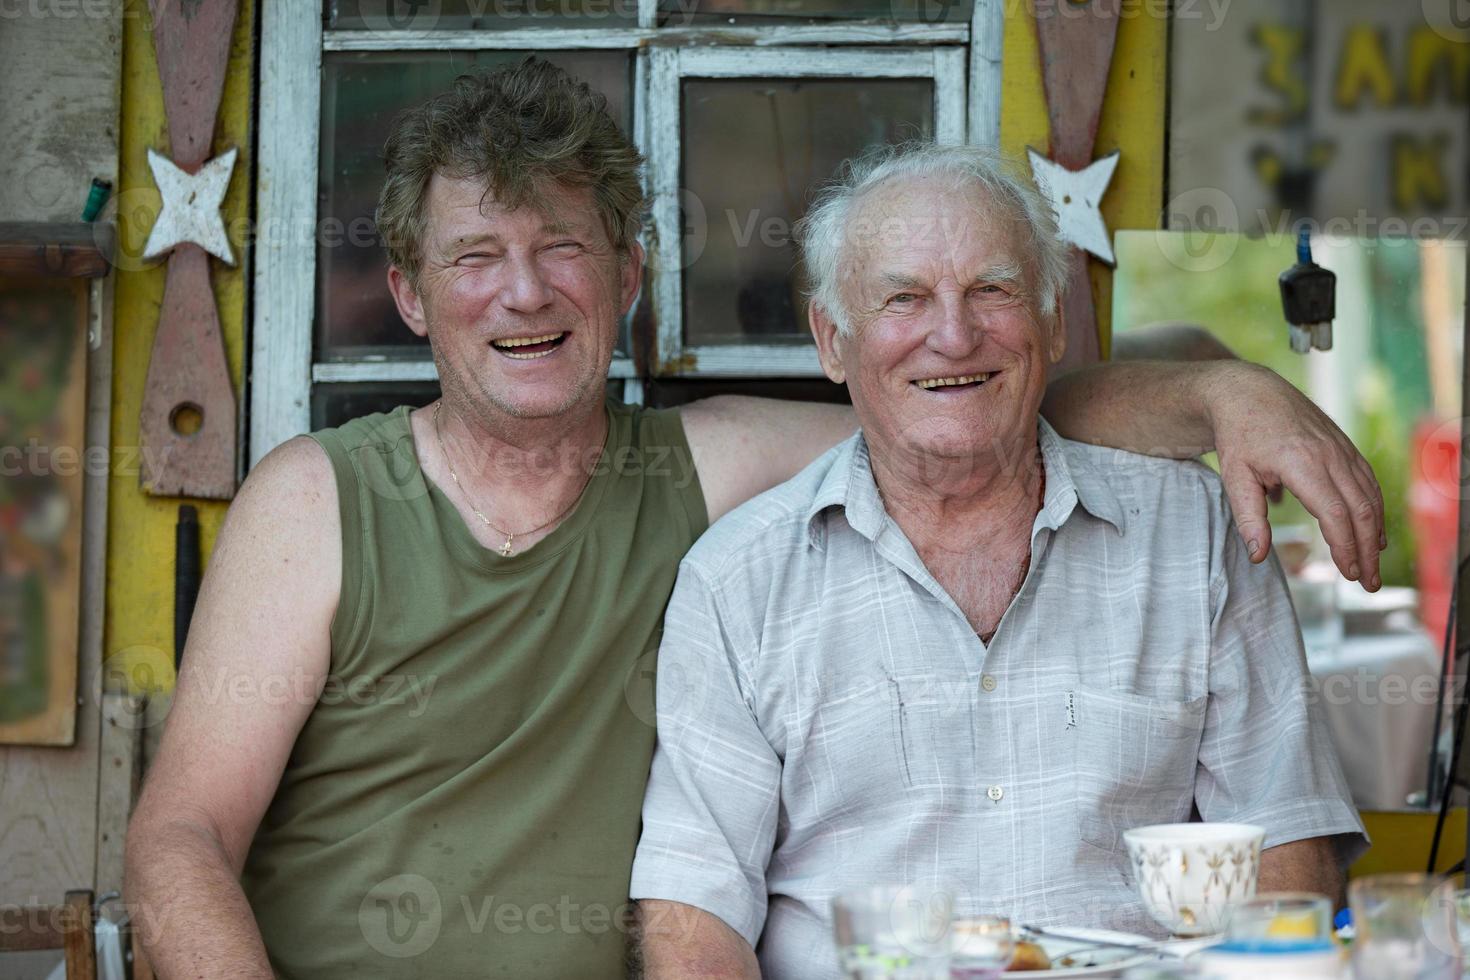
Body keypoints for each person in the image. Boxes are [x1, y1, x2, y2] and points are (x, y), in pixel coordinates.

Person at [125, 60, 1381, 979]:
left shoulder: (708, 466)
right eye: (474, 257)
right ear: (407, 294)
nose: (525, 291)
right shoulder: (316, 500)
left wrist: (1223, 390)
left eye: (565, 246)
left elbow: (959, 403)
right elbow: (179, 837)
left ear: (626, 280)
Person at [631, 143, 1367, 979]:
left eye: (992, 289)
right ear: (832, 342)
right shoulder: (737, 582)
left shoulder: (1195, 533)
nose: (954, 335)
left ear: (1053, 322)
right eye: (904, 298)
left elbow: (1285, 847)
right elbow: (694, 917)